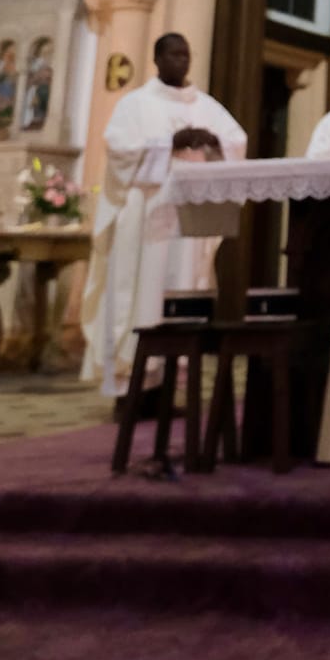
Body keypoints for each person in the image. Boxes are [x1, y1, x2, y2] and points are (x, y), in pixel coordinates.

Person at [81, 32, 246, 400]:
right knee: (139, 295)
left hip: (187, 223)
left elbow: (236, 141)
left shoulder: (206, 106)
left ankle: (169, 386)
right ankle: (130, 389)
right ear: (157, 59)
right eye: (173, 55)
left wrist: (213, 141)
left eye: (186, 55)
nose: (181, 61)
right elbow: (119, 149)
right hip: (146, 218)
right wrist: (170, 143)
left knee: (180, 294)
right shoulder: (135, 104)